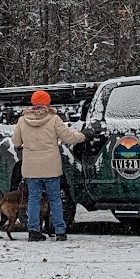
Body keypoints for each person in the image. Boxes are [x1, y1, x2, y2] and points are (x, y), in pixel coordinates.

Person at [12, 89, 85, 241]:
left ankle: (33, 231)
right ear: (47, 103)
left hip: (31, 168)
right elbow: (68, 137)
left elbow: (16, 142)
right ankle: (60, 231)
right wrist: (82, 136)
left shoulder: (22, 121)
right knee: (55, 199)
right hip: (51, 167)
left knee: (33, 199)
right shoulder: (54, 119)